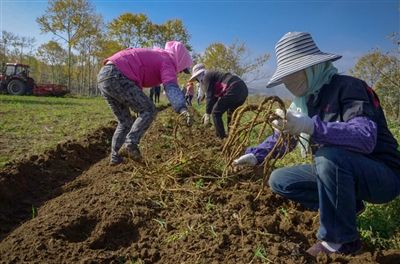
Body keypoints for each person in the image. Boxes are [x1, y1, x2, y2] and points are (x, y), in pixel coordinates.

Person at [233, 32, 400, 256]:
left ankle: (340, 240)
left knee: (328, 156)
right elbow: (287, 137)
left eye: (294, 73)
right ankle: (348, 206)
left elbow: (365, 137)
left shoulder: (350, 87)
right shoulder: (305, 101)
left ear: (313, 67)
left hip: (382, 175)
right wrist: (257, 155)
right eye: (286, 77)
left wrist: (312, 126)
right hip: (340, 172)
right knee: (280, 180)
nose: (290, 82)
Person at [97, 41, 193, 165]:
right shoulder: (168, 61)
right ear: (179, 60)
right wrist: (182, 108)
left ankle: (115, 158)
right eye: (182, 69)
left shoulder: (157, 55)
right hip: (117, 75)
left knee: (125, 122)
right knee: (149, 110)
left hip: (104, 76)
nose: (180, 72)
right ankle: (130, 144)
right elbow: (171, 86)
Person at [189, 63, 248, 138]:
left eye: (196, 79)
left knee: (216, 113)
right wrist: (207, 111)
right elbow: (214, 98)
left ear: (198, 76)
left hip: (233, 87)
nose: (197, 81)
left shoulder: (206, 76)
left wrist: (208, 113)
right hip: (242, 89)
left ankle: (221, 138)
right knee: (231, 114)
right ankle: (231, 138)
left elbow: (209, 96)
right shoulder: (213, 76)